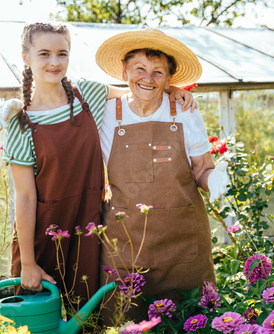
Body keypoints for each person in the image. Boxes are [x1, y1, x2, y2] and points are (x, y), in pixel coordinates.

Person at [0, 22, 197, 310]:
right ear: (25, 57)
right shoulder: (20, 122)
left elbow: (138, 91)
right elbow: (25, 197)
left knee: (87, 319)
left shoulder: (86, 95)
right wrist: (28, 263)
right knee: (42, 319)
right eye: (44, 53)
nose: (54, 62)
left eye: (62, 54)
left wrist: (173, 89)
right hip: (44, 235)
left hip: (90, 227)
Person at [94, 28, 229, 322]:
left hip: (182, 243)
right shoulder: (104, 112)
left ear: (169, 79)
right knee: (121, 322)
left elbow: (202, 168)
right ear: (124, 70)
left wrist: (214, 181)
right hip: (125, 242)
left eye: (158, 72)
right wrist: (20, 105)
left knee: (190, 321)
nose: (148, 78)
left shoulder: (184, 111)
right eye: (139, 69)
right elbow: (65, 92)